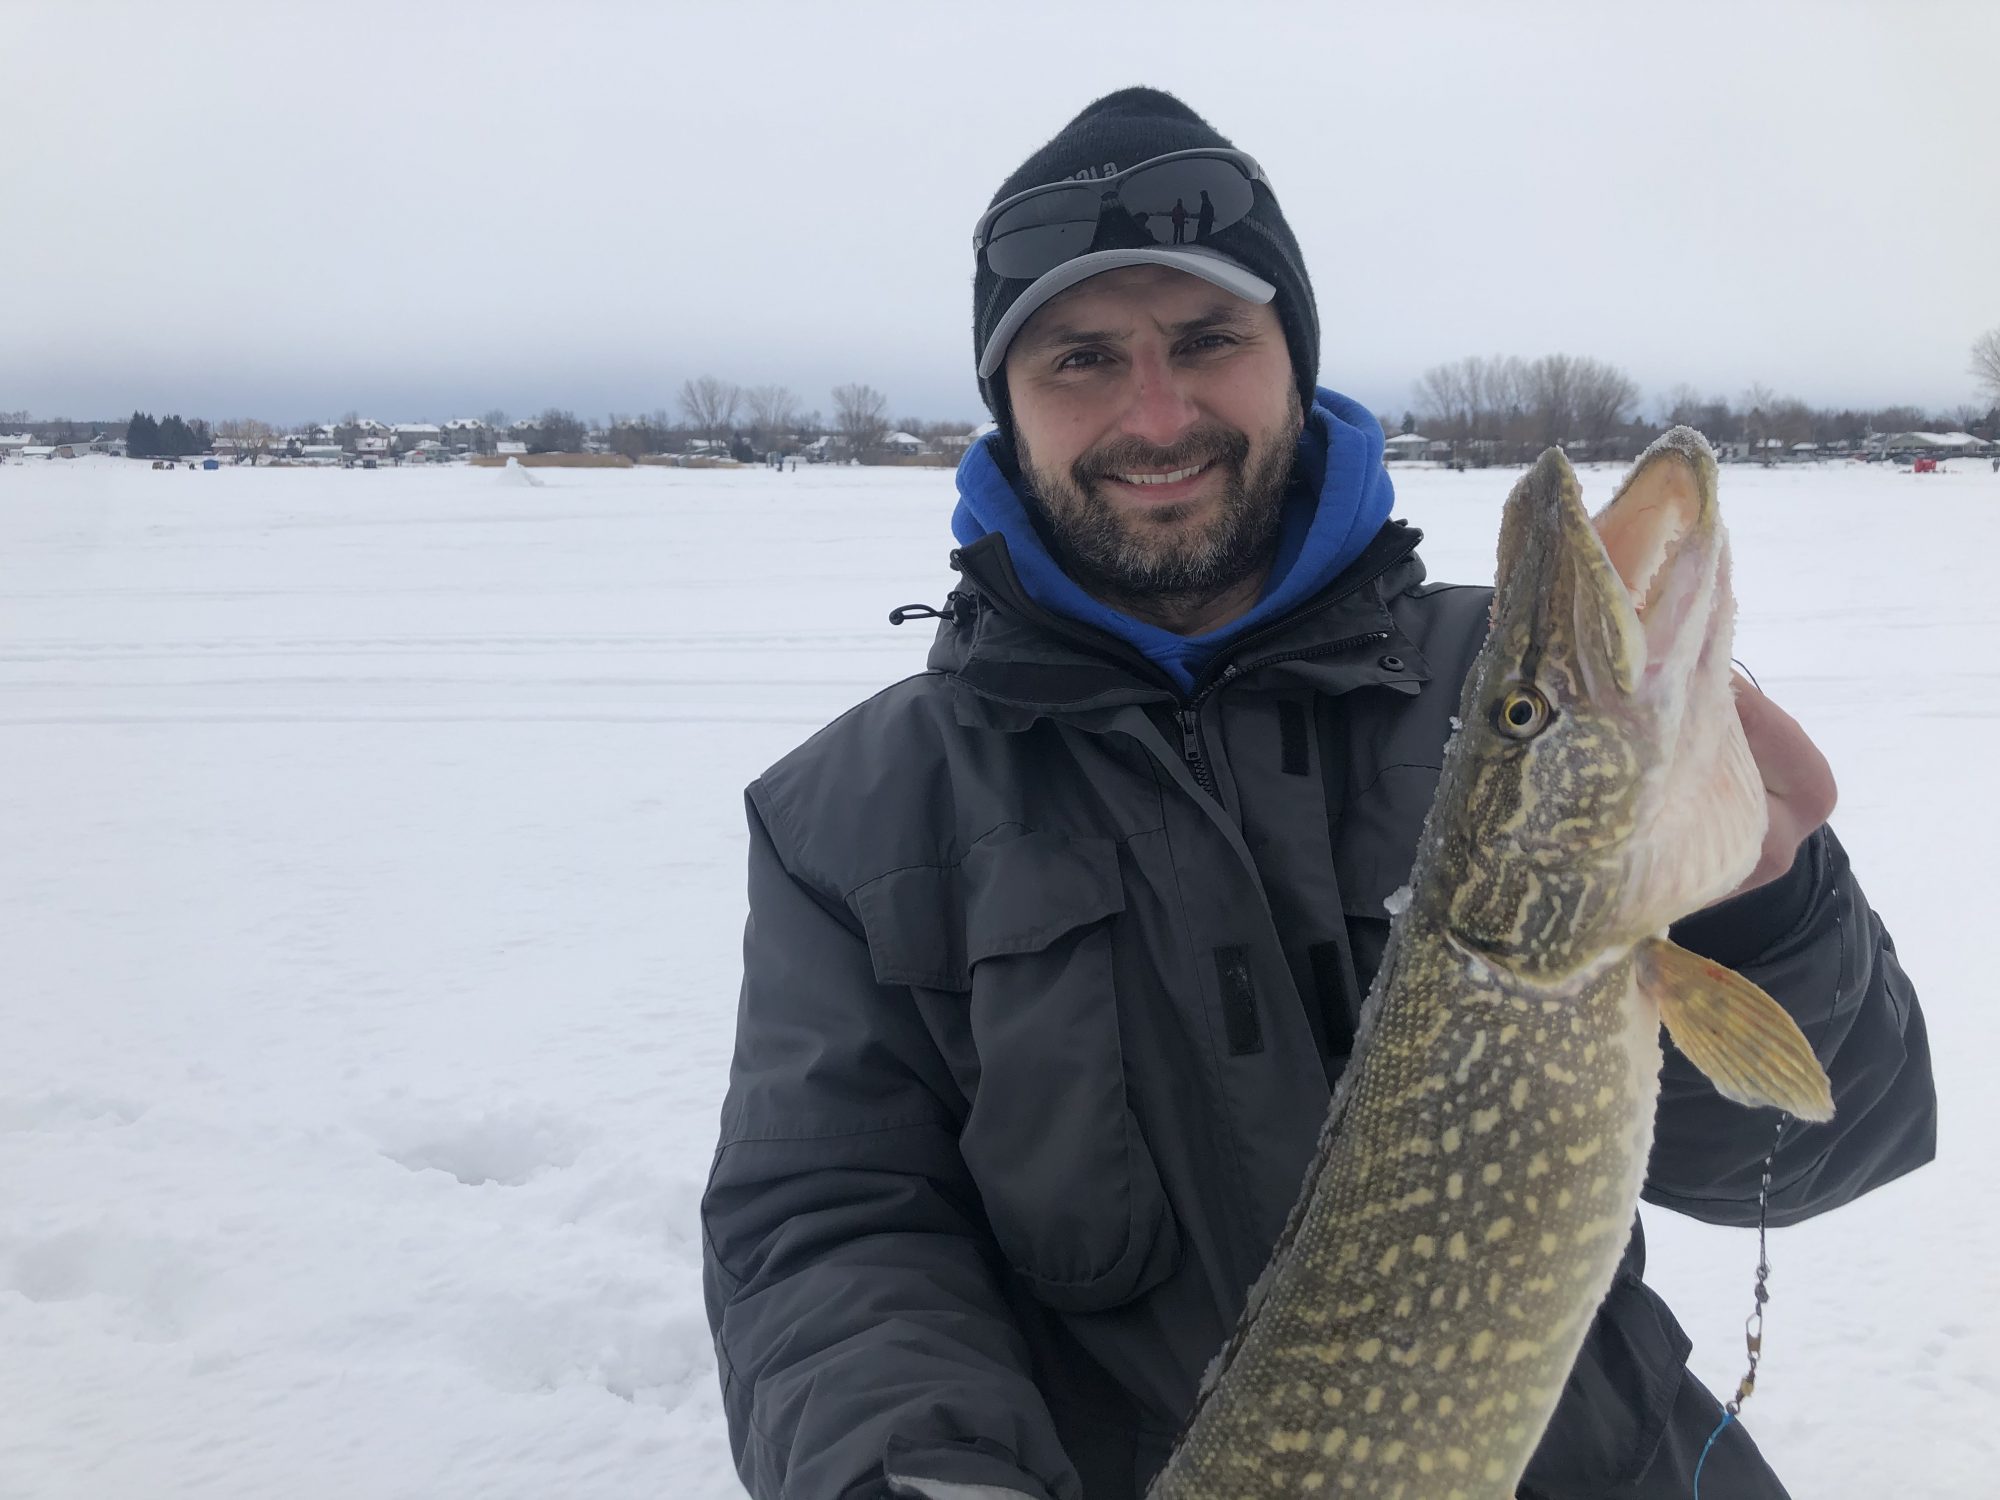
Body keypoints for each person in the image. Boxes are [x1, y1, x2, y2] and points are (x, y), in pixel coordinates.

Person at [701, 88, 1935, 1500]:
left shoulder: (1472, 667)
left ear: (1294, 358)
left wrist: (1761, 910)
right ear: (1010, 406)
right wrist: (916, 1473)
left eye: (1208, 341)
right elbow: (831, 1223)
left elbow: (1827, 1147)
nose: (1155, 413)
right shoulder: (850, 819)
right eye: (1081, 359)